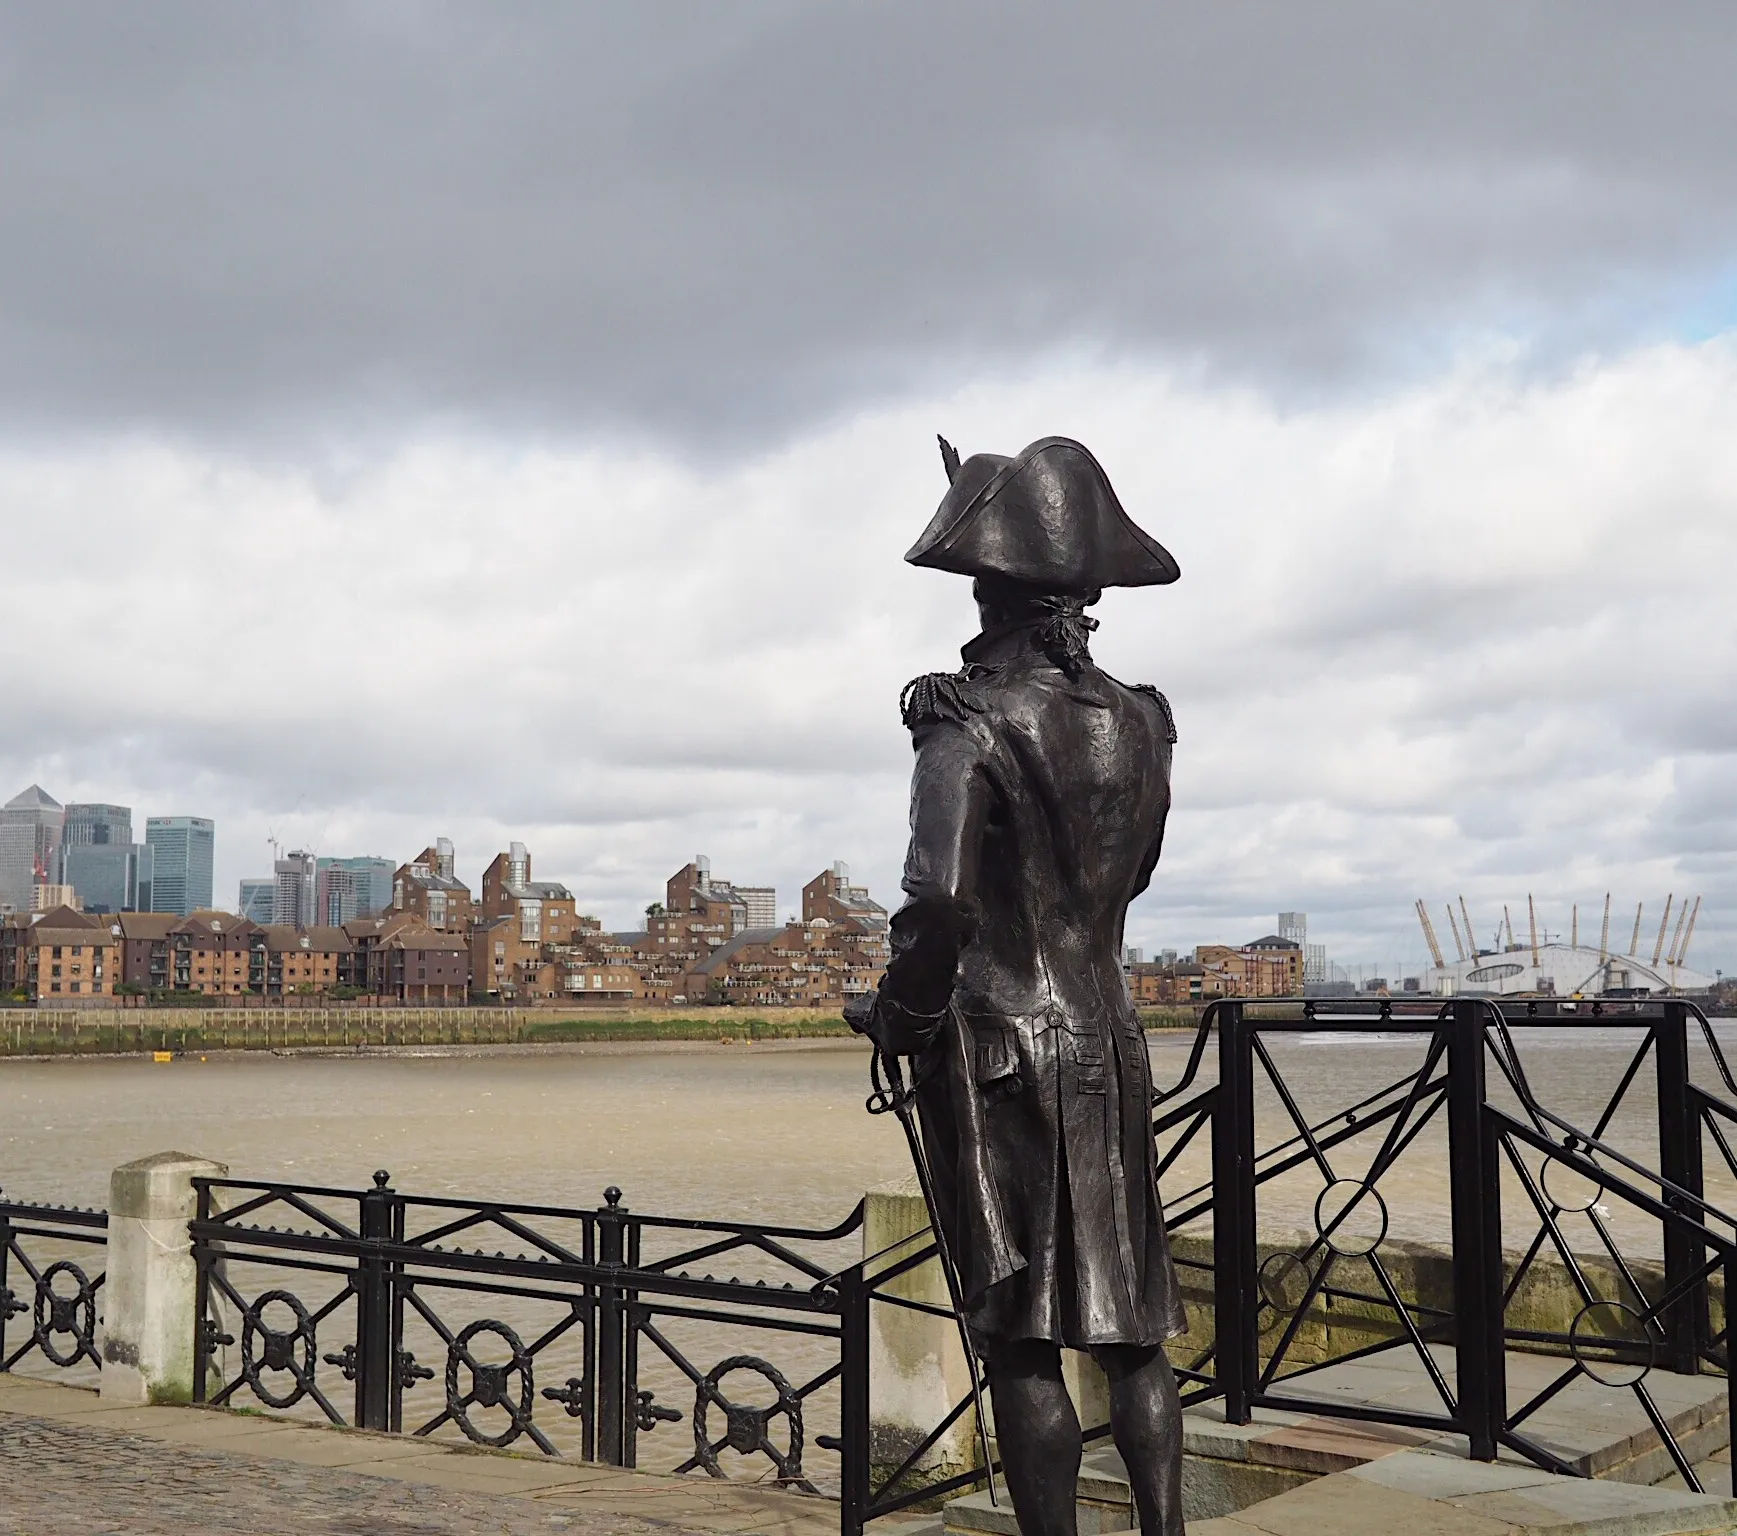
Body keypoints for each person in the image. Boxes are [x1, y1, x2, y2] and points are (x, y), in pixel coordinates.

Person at [847, 435, 1185, 1536]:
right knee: (1132, 1331)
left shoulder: (964, 714)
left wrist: (898, 1014)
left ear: (990, 588)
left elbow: (938, 903)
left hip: (999, 1056)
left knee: (1021, 1335)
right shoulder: (1145, 719)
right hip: (1110, 1043)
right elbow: (1133, 873)